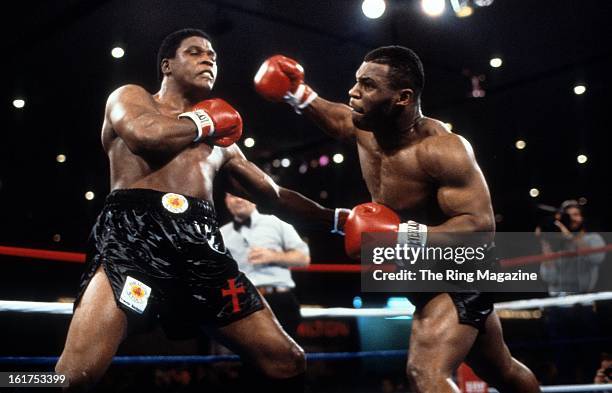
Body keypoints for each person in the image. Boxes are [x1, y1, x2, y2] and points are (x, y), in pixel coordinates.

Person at [54, 28, 339, 392]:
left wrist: (338, 220)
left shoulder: (222, 142)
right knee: (72, 376)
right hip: (134, 243)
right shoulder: (131, 98)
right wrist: (204, 122)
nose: (209, 60)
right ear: (167, 65)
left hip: (201, 249)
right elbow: (145, 134)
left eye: (214, 56)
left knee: (287, 361)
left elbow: (275, 197)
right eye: (196, 52)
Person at [254, 48, 541, 392]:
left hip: (458, 271)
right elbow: (337, 119)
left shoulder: (442, 150)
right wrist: (296, 92)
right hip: (419, 274)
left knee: (426, 374)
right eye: (357, 82)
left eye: (368, 85)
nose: (353, 92)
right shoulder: (366, 128)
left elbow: (480, 226)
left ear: (403, 98)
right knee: (501, 368)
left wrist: (401, 235)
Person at [221, 193, 310, 338]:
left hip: (279, 299)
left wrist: (274, 256)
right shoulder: (221, 234)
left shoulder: (277, 223)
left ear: (254, 200)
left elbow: (303, 258)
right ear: (226, 201)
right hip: (242, 302)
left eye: (242, 195)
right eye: (232, 196)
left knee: (287, 355)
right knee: (249, 355)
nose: (238, 199)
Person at [539, 199, 606, 296]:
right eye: (567, 216)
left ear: (582, 217)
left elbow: (596, 258)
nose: (571, 219)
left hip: (582, 298)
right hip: (557, 299)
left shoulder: (593, 239)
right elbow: (548, 277)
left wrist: (570, 237)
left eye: (575, 214)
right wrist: (544, 241)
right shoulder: (556, 243)